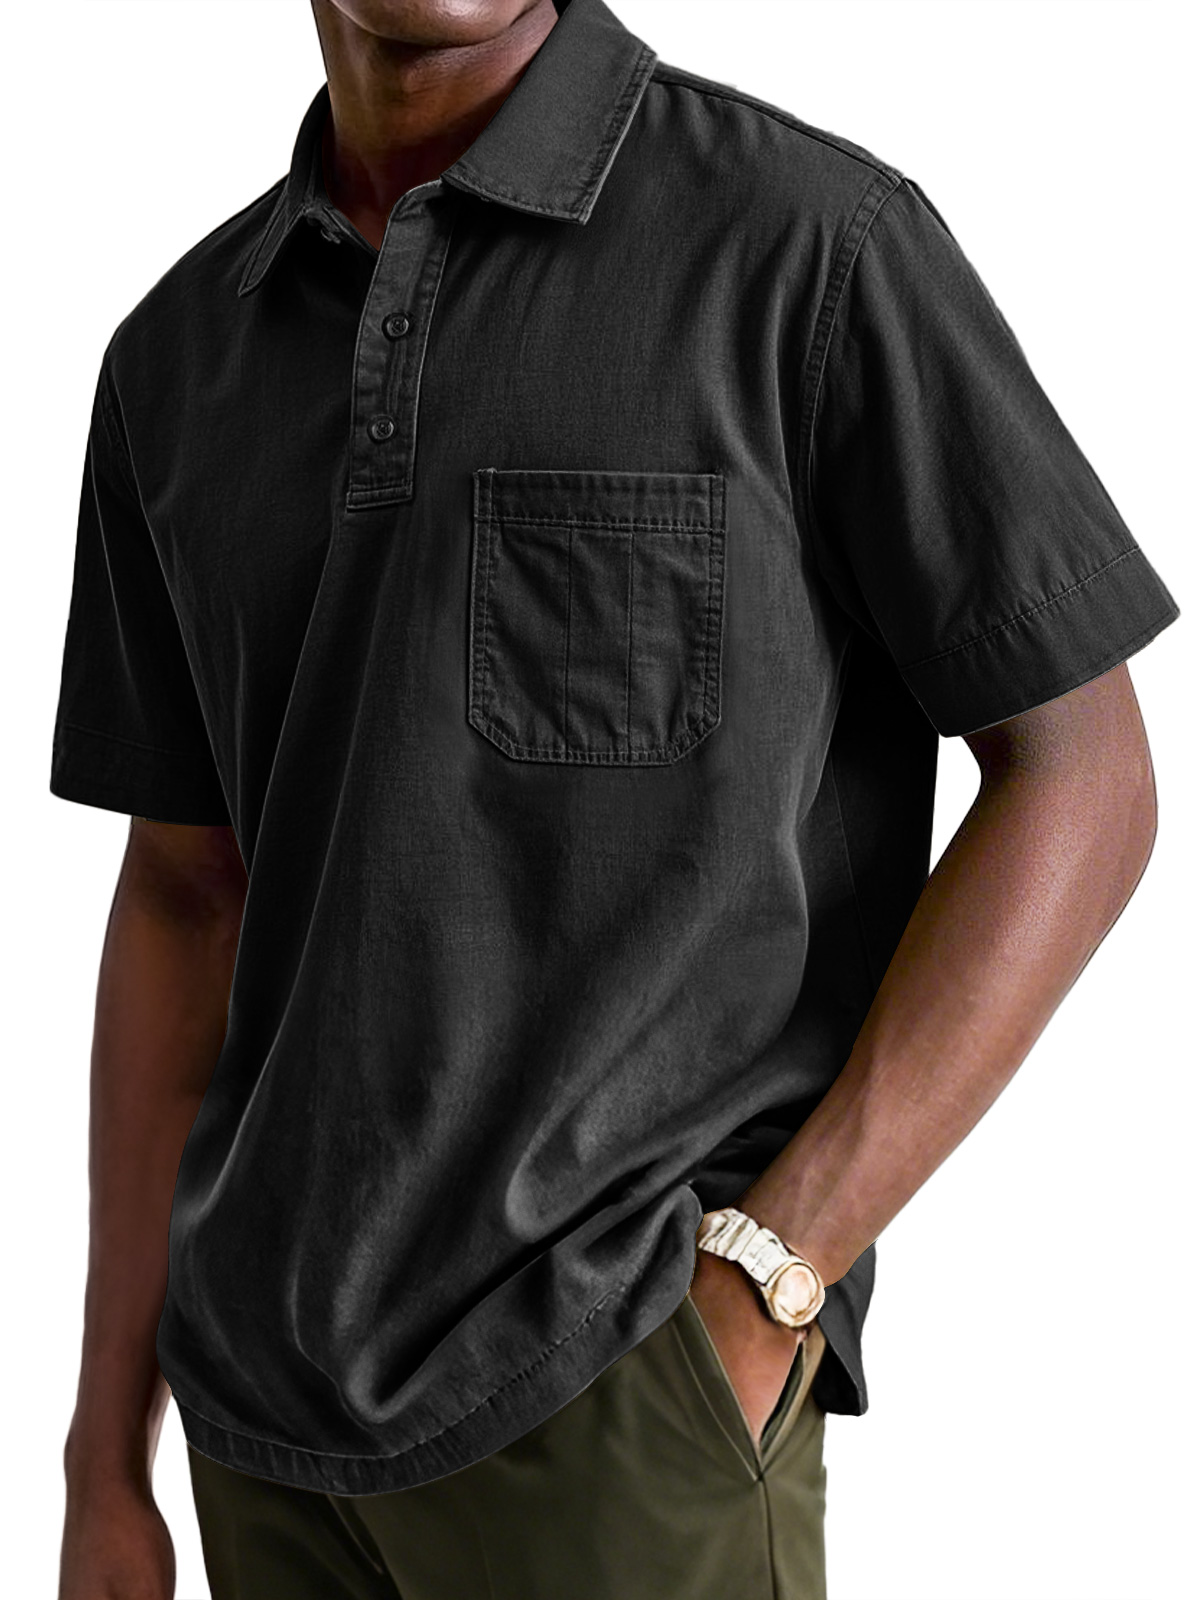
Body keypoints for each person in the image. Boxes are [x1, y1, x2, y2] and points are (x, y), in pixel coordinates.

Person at [51, 1, 1181, 1597]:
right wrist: (106, 1450)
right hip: (260, 1435)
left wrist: (774, 1271)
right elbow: (186, 897)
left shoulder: (806, 247)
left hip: (618, 1393)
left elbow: (1087, 778)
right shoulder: (177, 356)